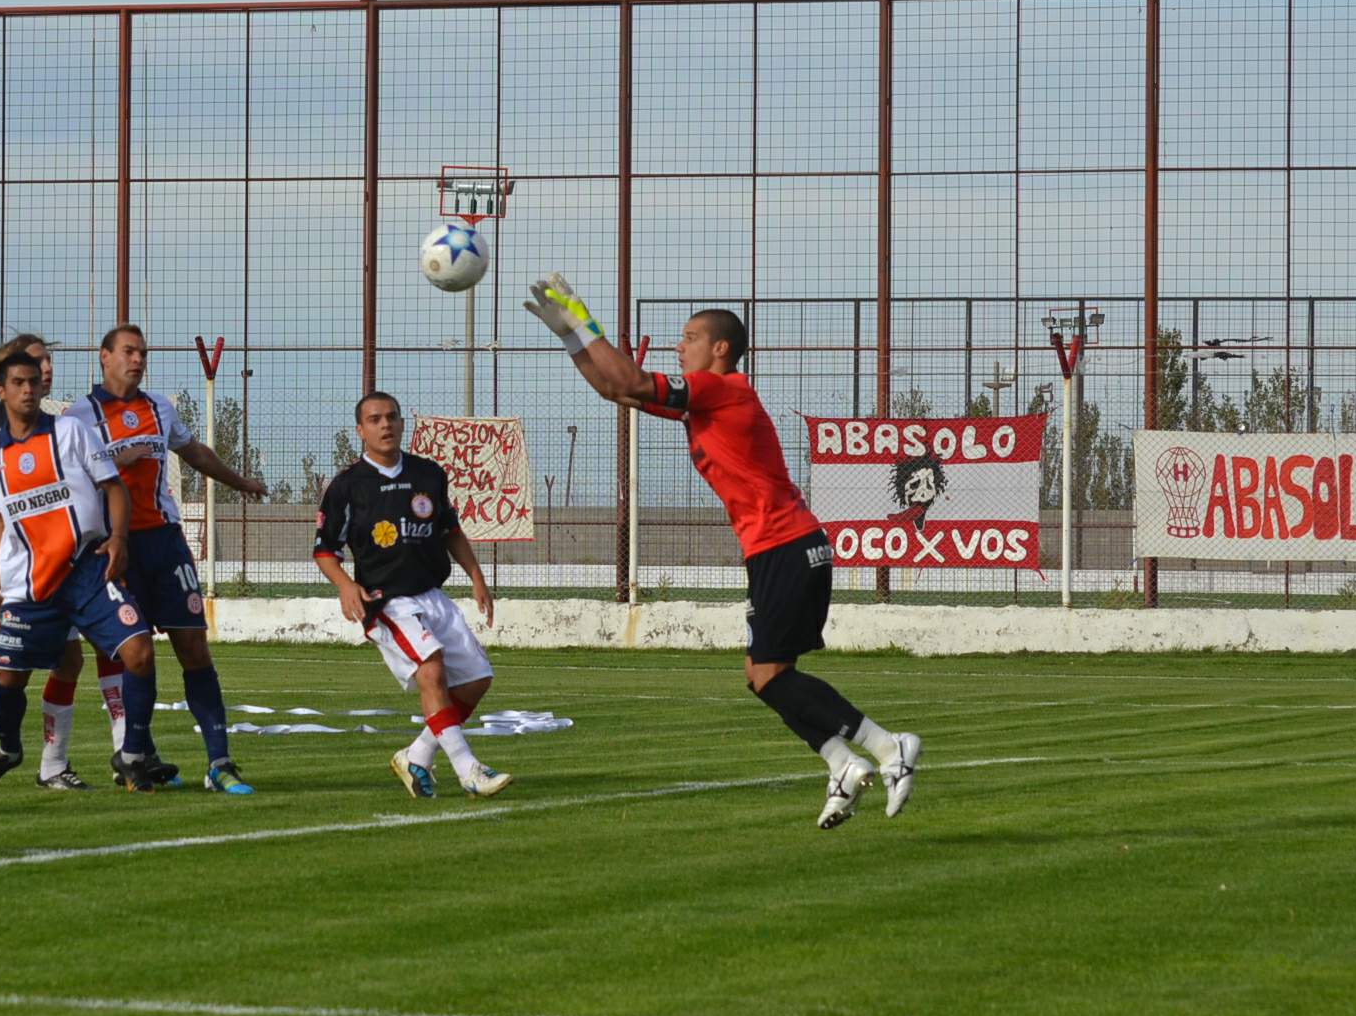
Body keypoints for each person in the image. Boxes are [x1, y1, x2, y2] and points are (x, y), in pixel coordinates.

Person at [525, 278, 922, 827]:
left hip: (787, 543)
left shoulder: (724, 389)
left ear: (720, 348)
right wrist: (569, 337)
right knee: (761, 674)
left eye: (688, 337)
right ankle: (842, 764)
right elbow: (616, 391)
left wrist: (585, 323)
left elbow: (631, 378)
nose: (678, 346)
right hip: (774, 549)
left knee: (769, 673)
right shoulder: (706, 406)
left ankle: (887, 746)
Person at [0, 344, 169, 792]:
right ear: (1, 391)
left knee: (138, 651)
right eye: (18, 383)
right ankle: (10, 749)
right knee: (9, 681)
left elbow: (113, 487)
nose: (29, 389)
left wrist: (118, 540)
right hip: (31, 582)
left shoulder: (71, 432)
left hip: (87, 568)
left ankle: (133, 754)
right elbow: (0, 516)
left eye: (34, 381)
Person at [81, 324, 267, 794]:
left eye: (142, 352)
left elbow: (194, 451)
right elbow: (71, 477)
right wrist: (121, 459)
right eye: (128, 351)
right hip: (114, 546)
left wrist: (240, 481)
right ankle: (135, 754)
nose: (138, 359)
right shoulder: (78, 418)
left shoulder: (159, 407)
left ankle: (220, 763)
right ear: (104, 357)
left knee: (194, 648)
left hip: (164, 542)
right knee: (137, 652)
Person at [312, 392, 512, 799]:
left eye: (391, 417)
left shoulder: (428, 474)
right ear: (360, 430)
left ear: (402, 423)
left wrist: (476, 575)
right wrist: (346, 586)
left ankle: (417, 755)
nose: (385, 425)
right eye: (374, 419)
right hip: (386, 601)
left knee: (476, 680)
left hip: (431, 594)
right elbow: (324, 550)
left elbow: (450, 530)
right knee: (431, 668)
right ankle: (468, 770)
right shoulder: (347, 487)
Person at [0, 333, 130, 743]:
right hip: (37, 573)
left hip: (85, 556)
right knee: (60, 663)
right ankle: (38, 756)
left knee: (107, 649)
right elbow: (3, 510)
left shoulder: (71, 418)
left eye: (46, 362)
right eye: (35, 363)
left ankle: (127, 748)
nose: (44, 370)